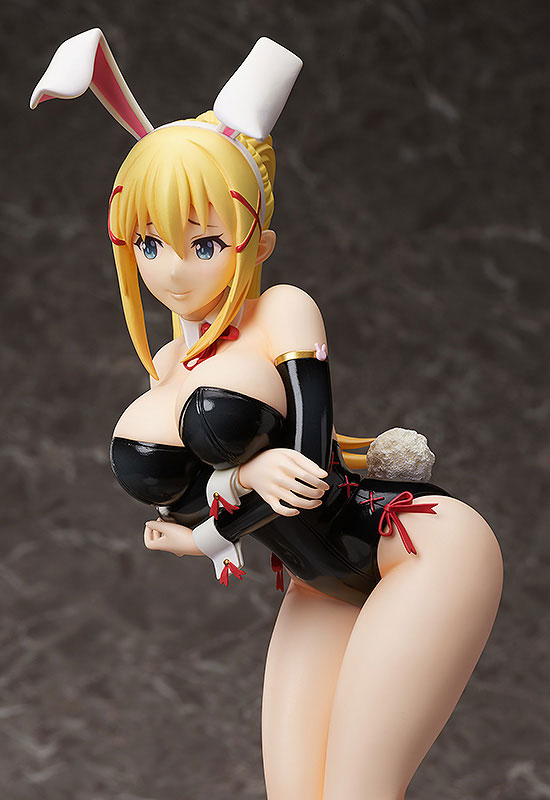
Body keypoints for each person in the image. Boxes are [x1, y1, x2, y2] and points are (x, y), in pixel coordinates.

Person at [31, 30, 503, 800]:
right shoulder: (170, 363)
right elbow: (190, 501)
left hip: (418, 542)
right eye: (149, 243)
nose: (172, 270)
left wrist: (212, 523)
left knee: (357, 791)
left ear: (258, 239)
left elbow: (309, 470)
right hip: (322, 578)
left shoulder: (283, 310)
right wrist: (230, 491)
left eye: (203, 243)